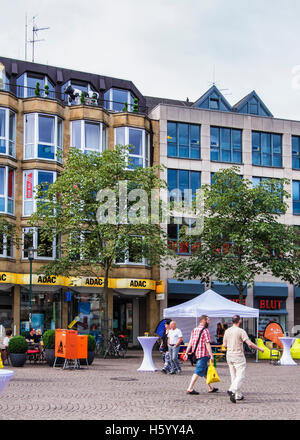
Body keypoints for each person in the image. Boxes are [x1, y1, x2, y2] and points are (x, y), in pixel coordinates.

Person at [223, 315, 264, 403]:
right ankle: (232, 390)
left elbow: (224, 345)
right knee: (240, 376)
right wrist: (260, 349)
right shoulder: (241, 331)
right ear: (239, 321)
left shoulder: (227, 331)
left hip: (229, 356)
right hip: (238, 356)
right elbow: (249, 343)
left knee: (233, 376)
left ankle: (238, 395)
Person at [183, 315, 218, 394]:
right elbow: (207, 343)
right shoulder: (205, 330)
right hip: (203, 354)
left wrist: (186, 353)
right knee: (198, 371)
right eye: (208, 320)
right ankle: (190, 388)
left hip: (196, 354)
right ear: (204, 321)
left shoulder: (194, 330)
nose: (209, 322)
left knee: (205, 372)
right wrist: (211, 355)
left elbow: (191, 342)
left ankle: (211, 387)